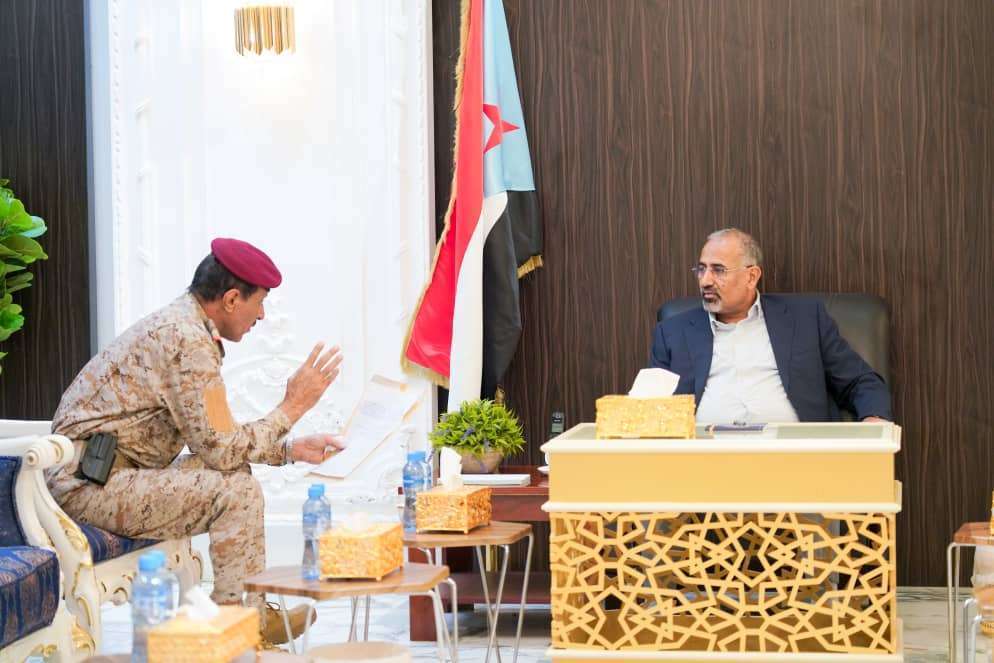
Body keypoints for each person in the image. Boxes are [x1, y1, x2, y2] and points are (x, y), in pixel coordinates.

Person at [47, 237, 342, 645]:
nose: (262, 315)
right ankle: (238, 635)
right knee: (236, 492)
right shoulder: (185, 340)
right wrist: (292, 407)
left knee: (236, 476)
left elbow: (219, 441)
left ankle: (247, 619)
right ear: (232, 299)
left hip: (113, 474)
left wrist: (289, 450)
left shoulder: (191, 331)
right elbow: (222, 448)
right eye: (260, 303)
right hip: (87, 485)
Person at [649, 228, 892, 423]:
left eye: (718, 270)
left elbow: (859, 381)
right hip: (704, 460)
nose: (705, 281)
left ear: (751, 276)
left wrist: (875, 419)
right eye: (701, 269)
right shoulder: (672, 333)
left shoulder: (806, 320)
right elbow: (650, 407)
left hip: (796, 457)